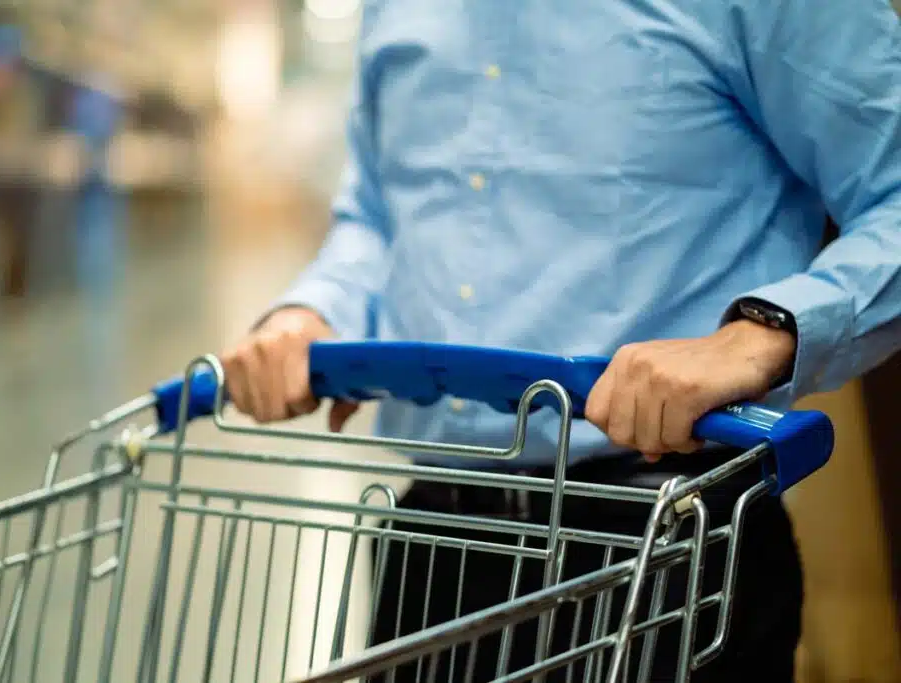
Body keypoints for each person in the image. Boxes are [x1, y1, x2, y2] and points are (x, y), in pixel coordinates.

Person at [220, 0, 901, 680]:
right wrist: (311, 311)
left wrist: (758, 336)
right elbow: (375, 214)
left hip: (665, 553)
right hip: (433, 549)